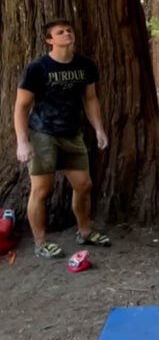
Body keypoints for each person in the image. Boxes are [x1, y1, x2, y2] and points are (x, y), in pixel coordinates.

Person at [13, 19, 111, 258]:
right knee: (42, 190)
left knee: (84, 185)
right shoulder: (38, 68)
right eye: (60, 32)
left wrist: (98, 129)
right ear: (50, 40)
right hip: (42, 134)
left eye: (69, 30)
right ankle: (40, 243)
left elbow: (90, 99)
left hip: (72, 134)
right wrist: (22, 141)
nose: (67, 34)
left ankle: (85, 232)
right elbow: (21, 107)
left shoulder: (85, 65)